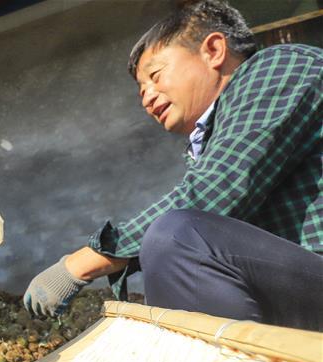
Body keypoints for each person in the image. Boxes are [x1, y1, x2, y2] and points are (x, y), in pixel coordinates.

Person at [24, 0, 322, 331]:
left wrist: (77, 266)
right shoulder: (207, 141)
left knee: (176, 237)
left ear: (213, 50)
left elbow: (217, 190)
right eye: (141, 91)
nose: (147, 98)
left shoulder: (278, 67)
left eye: (155, 76)